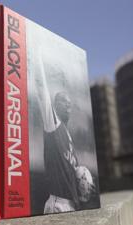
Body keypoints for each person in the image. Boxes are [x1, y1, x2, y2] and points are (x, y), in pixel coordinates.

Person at [33, 53, 80, 213]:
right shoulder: (53, 124)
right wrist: (35, 55)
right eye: (63, 101)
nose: (68, 105)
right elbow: (41, 89)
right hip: (58, 204)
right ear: (55, 104)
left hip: (71, 204)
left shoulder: (68, 136)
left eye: (70, 103)